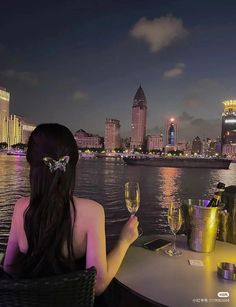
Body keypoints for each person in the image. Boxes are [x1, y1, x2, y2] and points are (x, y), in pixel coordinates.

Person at [3, 123, 139, 296]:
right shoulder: (93, 212)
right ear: (73, 163)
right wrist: (124, 242)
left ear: (31, 163)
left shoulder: (20, 207)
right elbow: (97, 286)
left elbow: (9, 268)